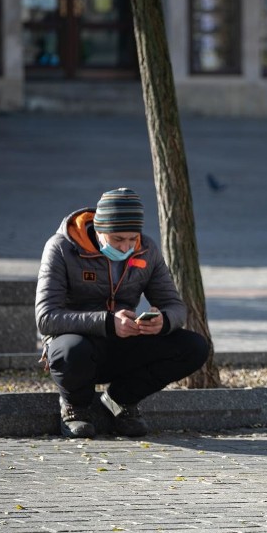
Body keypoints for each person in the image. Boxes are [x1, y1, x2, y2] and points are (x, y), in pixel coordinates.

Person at [35, 188, 210, 439]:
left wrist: (163, 322)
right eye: (118, 239)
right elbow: (46, 317)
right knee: (73, 351)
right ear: (98, 229)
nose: (126, 246)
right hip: (75, 345)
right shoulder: (61, 248)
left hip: (123, 340)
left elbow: (176, 306)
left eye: (132, 238)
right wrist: (108, 322)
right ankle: (75, 408)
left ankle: (119, 401)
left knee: (194, 347)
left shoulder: (147, 250)